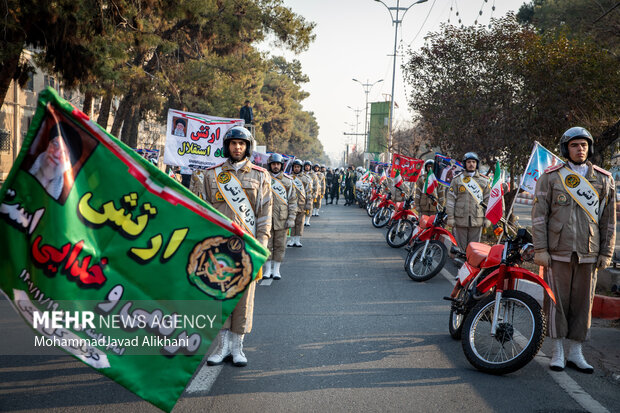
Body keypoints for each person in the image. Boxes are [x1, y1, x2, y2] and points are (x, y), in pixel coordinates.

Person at [532, 127, 616, 373]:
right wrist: (541, 249)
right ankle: (557, 351)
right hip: (558, 250)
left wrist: (606, 252)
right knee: (557, 302)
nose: (580, 149)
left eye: (584, 145)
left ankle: (576, 352)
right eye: (574, 145)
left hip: (588, 251)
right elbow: (539, 217)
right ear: (565, 149)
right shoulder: (551, 177)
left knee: (582, 303)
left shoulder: (603, 179)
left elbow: (608, 222)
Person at [198, 126, 272, 368]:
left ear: (247, 146)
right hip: (217, 248)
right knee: (220, 297)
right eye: (233, 143)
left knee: (243, 298)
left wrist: (261, 247)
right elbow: (203, 212)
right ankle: (221, 347)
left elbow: (264, 215)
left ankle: (238, 347)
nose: (237, 147)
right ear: (226, 146)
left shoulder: (261, 176)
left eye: (241, 143)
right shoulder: (211, 175)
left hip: (247, 248)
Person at [446, 152, 490, 251]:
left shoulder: (484, 181)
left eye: (474, 162)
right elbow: (450, 200)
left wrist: (487, 219)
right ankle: (460, 265)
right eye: (469, 162)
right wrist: (450, 218)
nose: (471, 164)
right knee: (460, 249)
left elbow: (488, 202)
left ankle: (470, 266)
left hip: (477, 219)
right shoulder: (457, 180)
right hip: (460, 219)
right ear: (464, 164)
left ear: (477, 164)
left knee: (474, 249)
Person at [263, 153, 297, 280]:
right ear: (270, 165)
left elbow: (293, 202)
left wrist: (291, 218)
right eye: (273, 164)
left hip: (282, 219)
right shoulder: (264, 179)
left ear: (281, 165)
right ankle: (267, 270)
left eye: (278, 164)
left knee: (280, 245)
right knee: (266, 245)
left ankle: (276, 270)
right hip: (265, 218)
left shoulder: (288, 182)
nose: (276, 166)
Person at [28, 122, 82, 200]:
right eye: (55, 144)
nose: (56, 154)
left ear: (67, 165)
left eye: (63, 153)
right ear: (49, 144)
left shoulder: (67, 197)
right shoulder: (26, 166)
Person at [288, 159, 313, 247]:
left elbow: (309, 193)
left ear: (301, 168)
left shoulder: (306, 179)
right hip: (291, 205)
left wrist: (308, 205)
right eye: (295, 167)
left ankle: (297, 240)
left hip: (302, 205)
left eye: (298, 167)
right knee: (291, 222)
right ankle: (291, 240)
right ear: (293, 168)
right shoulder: (289, 178)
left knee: (300, 223)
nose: (296, 168)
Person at [304, 161, 318, 225]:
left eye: (308, 166)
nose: (307, 167)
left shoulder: (313, 175)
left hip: (310, 194)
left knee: (309, 207)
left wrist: (315, 194)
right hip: (302, 194)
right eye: (306, 166)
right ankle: (303, 220)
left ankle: (307, 221)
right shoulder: (301, 174)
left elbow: (316, 185)